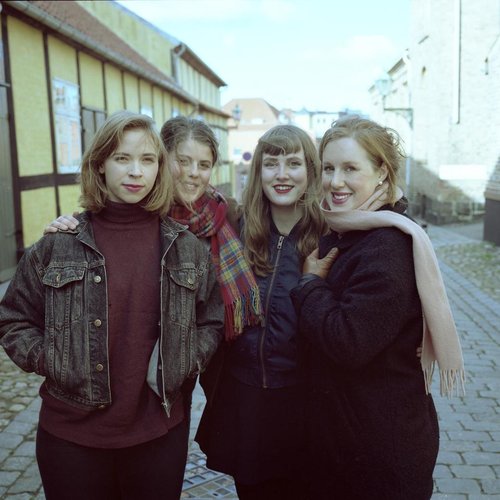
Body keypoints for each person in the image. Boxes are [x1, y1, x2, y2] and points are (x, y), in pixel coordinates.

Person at [0, 111, 224, 500]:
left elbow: (211, 321)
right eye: (123, 158)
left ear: (159, 168)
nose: (136, 171)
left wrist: (184, 358)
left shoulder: (185, 248)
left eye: (147, 160)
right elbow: (13, 319)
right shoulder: (59, 244)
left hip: (158, 435)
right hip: (72, 438)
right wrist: (54, 360)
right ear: (101, 163)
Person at [291, 116, 465, 499]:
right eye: (329, 168)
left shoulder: (387, 247)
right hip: (351, 445)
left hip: (377, 459)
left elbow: (348, 341)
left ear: (382, 173)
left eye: (350, 168)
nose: (335, 181)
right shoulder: (349, 230)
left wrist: (310, 286)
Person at [195, 124, 330, 500]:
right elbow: (171, 207)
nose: (282, 174)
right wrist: (79, 222)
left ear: (311, 171)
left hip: (305, 400)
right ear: (258, 172)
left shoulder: (331, 235)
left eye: (293, 163)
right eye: (271, 164)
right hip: (246, 400)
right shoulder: (232, 228)